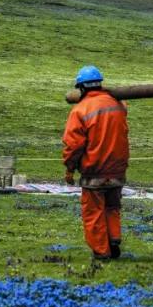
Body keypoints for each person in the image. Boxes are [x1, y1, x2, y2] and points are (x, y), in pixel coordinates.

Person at [62, 66, 129, 260]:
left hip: (95, 171)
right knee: (112, 207)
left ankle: (101, 251)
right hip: (117, 170)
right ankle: (113, 240)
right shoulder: (118, 105)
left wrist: (69, 169)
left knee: (93, 211)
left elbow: (73, 145)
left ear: (81, 88)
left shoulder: (80, 110)